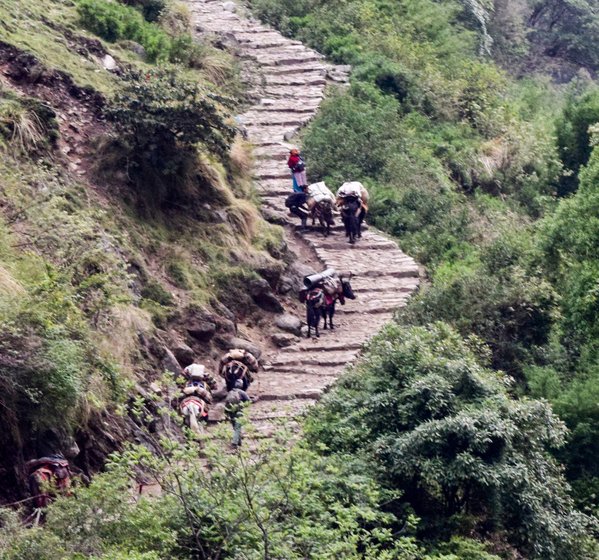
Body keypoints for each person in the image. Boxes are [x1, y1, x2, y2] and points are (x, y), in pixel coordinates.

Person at [225, 380, 251, 447]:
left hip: (231, 411)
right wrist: (243, 406)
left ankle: (239, 442)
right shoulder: (242, 392)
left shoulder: (230, 392)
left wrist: (226, 413)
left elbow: (226, 402)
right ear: (241, 385)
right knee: (238, 427)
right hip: (239, 411)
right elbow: (248, 401)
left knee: (235, 427)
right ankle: (234, 443)